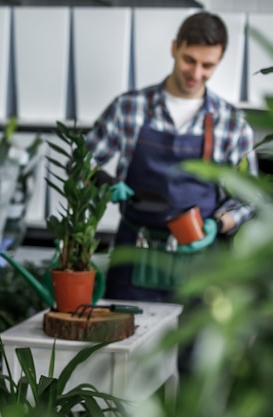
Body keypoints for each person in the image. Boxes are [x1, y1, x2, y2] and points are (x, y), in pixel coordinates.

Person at [85, 11, 258, 303]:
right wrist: (104, 182)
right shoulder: (129, 108)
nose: (197, 73)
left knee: (194, 349)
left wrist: (219, 223)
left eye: (208, 65)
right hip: (135, 256)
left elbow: (248, 196)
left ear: (220, 60)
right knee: (127, 346)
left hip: (199, 265)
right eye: (189, 59)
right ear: (174, 47)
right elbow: (80, 162)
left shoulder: (231, 123)